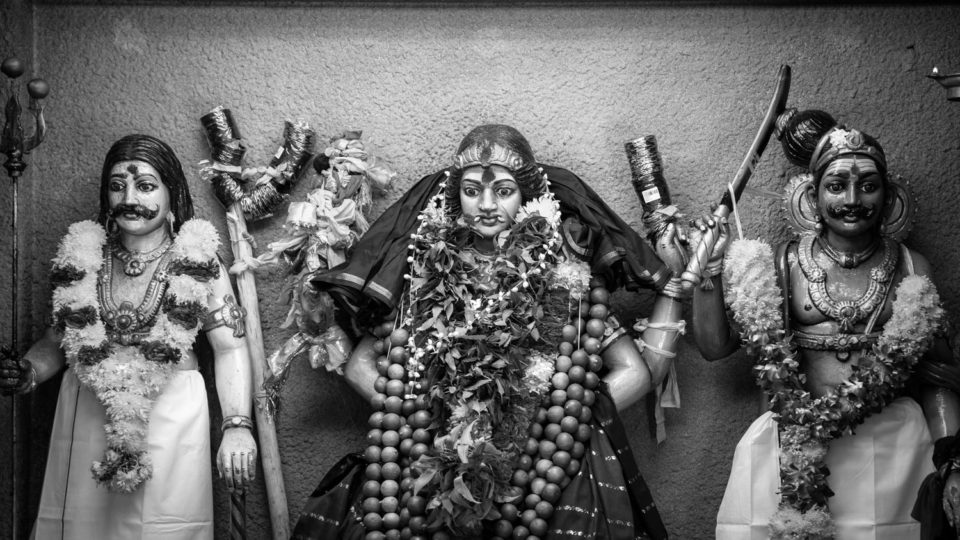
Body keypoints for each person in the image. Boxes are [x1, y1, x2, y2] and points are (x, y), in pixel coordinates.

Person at [292, 124, 691, 540]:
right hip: (429, 473)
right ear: (454, 196)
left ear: (527, 196)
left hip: (545, 476)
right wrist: (421, 422)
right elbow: (360, 367)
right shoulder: (423, 277)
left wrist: (562, 417)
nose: (485, 205)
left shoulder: (565, 280)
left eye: (502, 191)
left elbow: (635, 372)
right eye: (471, 190)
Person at [691, 109, 960, 540]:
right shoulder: (784, 263)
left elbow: (939, 376)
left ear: (889, 199)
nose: (853, 200)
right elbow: (714, 347)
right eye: (836, 186)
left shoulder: (911, 265)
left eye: (868, 186)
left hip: (893, 446)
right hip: (793, 443)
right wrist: (708, 272)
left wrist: (953, 460)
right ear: (812, 197)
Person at [0, 134, 258, 539]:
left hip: (171, 414)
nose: (129, 198)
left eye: (146, 186)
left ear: (173, 194)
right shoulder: (83, 260)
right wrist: (29, 371)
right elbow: (57, 340)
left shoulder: (199, 263)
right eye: (117, 186)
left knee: (166, 526)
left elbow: (230, 349)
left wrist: (237, 425)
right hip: (88, 410)